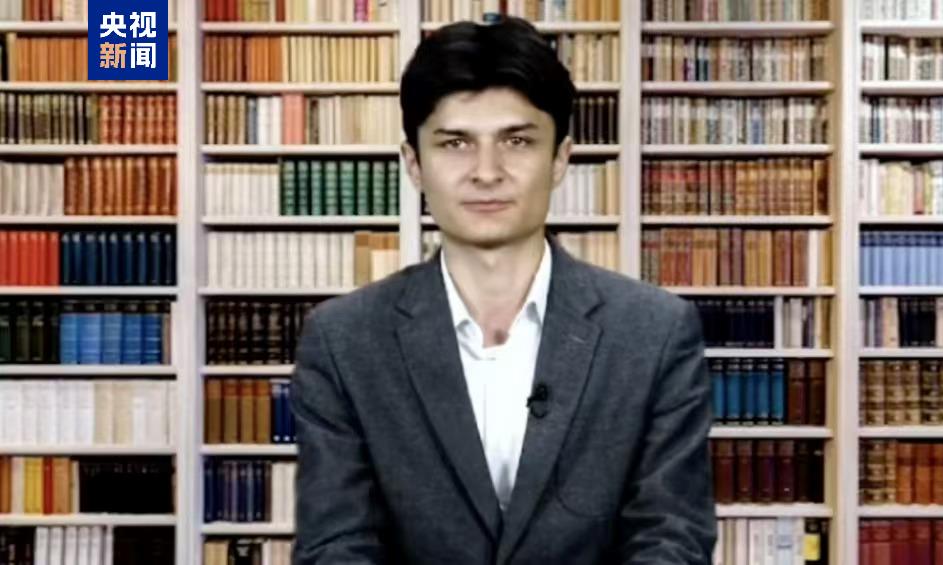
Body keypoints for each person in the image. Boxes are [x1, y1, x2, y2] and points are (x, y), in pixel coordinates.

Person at [290, 16, 716, 565]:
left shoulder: (654, 332)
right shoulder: (343, 340)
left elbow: (672, 539)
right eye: (455, 143)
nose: (486, 172)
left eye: (516, 141)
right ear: (414, 165)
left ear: (560, 158)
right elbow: (335, 548)